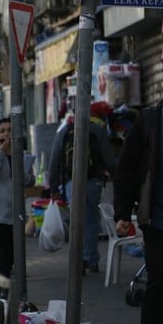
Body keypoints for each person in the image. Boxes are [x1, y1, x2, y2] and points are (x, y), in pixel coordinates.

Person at [113, 63, 163, 324]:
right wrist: (123, 213)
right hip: (160, 221)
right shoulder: (149, 120)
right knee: (158, 284)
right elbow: (126, 170)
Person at [47, 109, 116, 274]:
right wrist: (117, 176)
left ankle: (79, 259)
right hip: (94, 181)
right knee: (91, 219)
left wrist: (54, 187)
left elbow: (54, 160)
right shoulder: (97, 130)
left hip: (72, 182)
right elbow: (109, 159)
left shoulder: (65, 131)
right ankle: (90, 259)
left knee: (77, 221)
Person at [0, 119, 34, 278]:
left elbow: (30, 181)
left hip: (17, 212)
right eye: (3, 130)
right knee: (0, 255)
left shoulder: (21, 155)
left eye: (9, 130)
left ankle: (9, 290)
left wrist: (25, 172)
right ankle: (2, 291)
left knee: (13, 254)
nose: (6, 133)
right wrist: (1, 152)